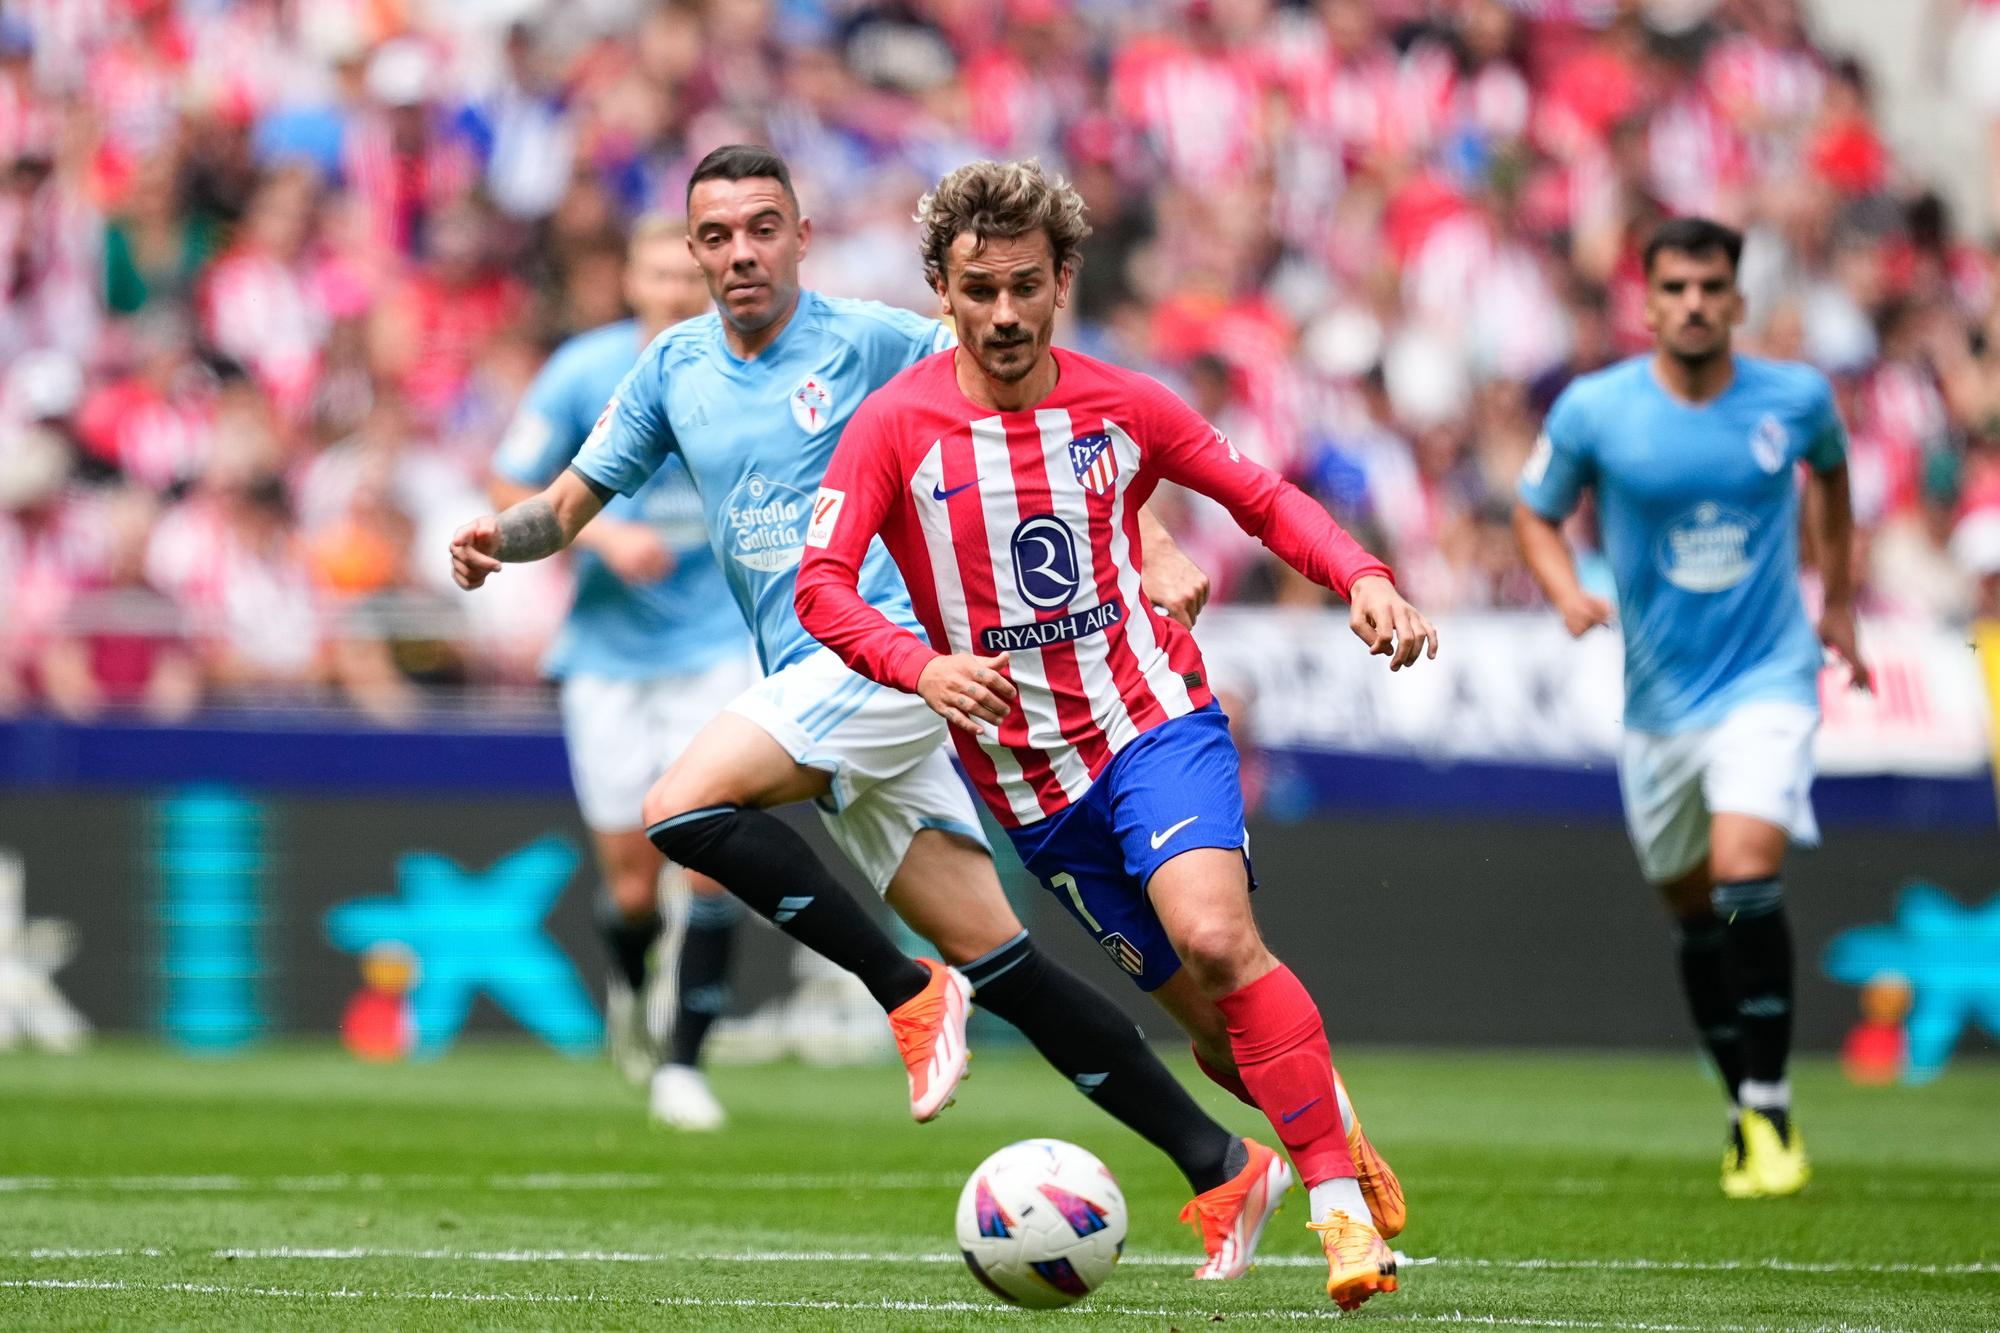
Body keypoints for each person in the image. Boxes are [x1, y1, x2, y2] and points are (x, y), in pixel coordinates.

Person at [451, 145, 1296, 1279]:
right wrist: (492, 544)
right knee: (1011, 968)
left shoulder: (873, 336)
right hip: (822, 687)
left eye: (761, 227)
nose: (739, 252)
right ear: (693, 250)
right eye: (716, 235)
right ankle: (1224, 1161)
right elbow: (559, 509)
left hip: (891, 658)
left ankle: (905, 992)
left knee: (679, 808)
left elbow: (1046, 410)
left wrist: (1143, 539)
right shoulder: (669, 371)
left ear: (800, 234)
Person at [794, 158, 1436, 1311]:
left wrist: (1363, 575)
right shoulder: (893, 429)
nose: (1002, 313)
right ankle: (1333, 1124)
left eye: (1024, 287)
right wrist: (921, 664)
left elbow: (1259, 496)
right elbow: (822, 589)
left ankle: (1336, 1211)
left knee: (1216, 939)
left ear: (1063, 280)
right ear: (938, 288)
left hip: (1150, 720)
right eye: (977, 288)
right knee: (1210, 1026)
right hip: (1034, 793)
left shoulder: (1123, 403)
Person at [1513, 216, 1868, 1199]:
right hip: (1658, 702)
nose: (1693, 304)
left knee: (1742, 869)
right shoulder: (1595, 410)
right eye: (1673, 288)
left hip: (1768, 677)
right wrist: (1561, 589)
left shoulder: (1792, 398)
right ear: (1647, 299)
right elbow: (1532, 510)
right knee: (1689, 907)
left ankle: (1769, 1105)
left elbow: (1833, 477)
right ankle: (1738, 1109)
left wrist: (1835, 598)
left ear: (1736, 300)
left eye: (1710, 287)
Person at [488, 214, 754, 1129]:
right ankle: (632, 980)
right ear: (630, 280)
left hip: (720, 645)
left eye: (690, 275)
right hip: (606, 655)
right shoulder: (581, 372)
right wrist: (603, 531)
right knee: (632, 880)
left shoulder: (751, 366)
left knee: (715, 859)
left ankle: (686, 1062)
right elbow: (505, 485)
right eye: (658, 273)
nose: (677, 291)